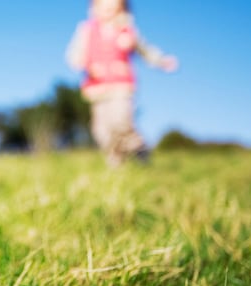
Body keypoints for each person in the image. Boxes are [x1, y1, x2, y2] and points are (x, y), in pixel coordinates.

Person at [66, 0, 178, 167]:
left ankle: (138, 147)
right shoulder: (87, 30)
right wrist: (84, 64)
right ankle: (117, 165)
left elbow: (144, 50)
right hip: (97, 87)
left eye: (112, 7)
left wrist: (161, 61)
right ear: (93, 8)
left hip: (121, 85)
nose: (107, 10)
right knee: (101, 131)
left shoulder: (127, 31)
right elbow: (76, 53)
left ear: (121, 9)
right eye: (102, 6)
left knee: (120, 121)